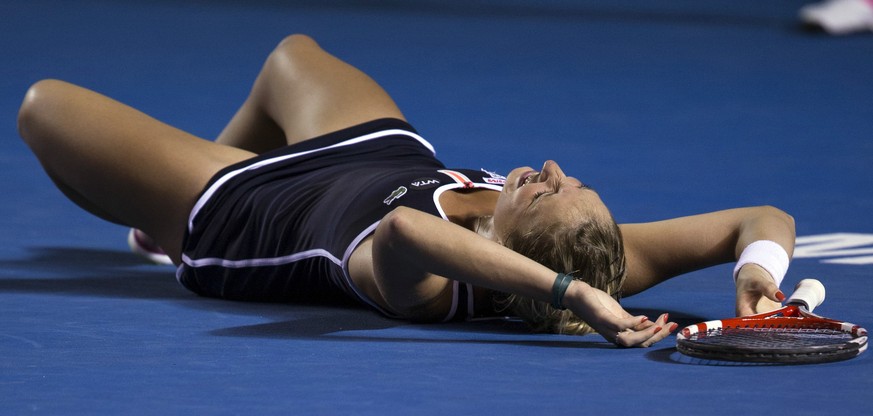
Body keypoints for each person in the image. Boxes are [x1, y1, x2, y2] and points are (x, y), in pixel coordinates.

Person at [16, 34, 796, 348]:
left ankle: (163, 221)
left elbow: (401, 232)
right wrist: (754, 280)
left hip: (245, 205)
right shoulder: (606, 261)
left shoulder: (425, 290)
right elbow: (762, 216)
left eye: (544, 193)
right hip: (381, 153)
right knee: (292, 54)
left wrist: (573, 295)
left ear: (513, 245)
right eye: (571, 182)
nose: (551, 170)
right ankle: (163, 195)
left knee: (43, 106)